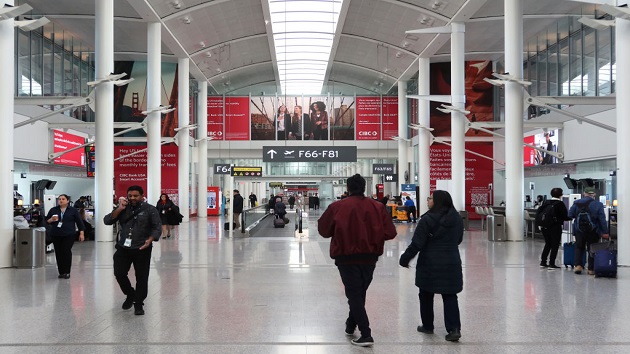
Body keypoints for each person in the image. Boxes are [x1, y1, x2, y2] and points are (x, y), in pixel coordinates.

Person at [318, 174, 397, 347]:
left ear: (348, 188)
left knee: (354, 293)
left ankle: (366, 334)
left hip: (345, 257)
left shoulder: (337, 207)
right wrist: (373, 236)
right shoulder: (377, 207)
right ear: (364, 187)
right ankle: (350, 325)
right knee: (359, 292)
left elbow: (324, 230)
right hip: (370, 257)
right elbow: (390, 232)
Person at [399, 190, 464, 342]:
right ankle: (454, 329)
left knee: (426, 294)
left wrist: (405, 258)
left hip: (430, 262)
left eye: (430, 198)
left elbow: (417, 243)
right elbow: (459, 239)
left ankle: (428, 325)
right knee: (450, 295)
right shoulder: (457, 218)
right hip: (451, 260)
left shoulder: (427, 219)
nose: (428, 200)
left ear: (437, 201)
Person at [103, 185, 161, 316]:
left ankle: (138, 303)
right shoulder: (123, 208)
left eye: (136, 196)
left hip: (142, 248)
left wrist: (150, 240)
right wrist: (119, 209)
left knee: (141, 277)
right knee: (119, 273)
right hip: (123, 247)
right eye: (130, 196)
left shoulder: (150, 209)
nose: (133, 198)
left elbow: (157, 227)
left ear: (142, 196)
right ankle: (130, 294)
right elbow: (107, 221)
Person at [568, 187, 609, 275]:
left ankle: (578, 266)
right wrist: (605, 232)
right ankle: (591, 269)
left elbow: (570, 215)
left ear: (584, 194)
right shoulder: (598, 204)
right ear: (594, 194)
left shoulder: (576, 203)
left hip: (579, 230)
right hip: (593, 230)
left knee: (579, 247)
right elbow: (602, 219)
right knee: (592, 248)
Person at [45, 194, 85, 279]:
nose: (61, 200)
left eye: (63, 199)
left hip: (69, 234)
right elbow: (47, 221)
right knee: (58, 253)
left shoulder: (73, 210)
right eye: (59, 199)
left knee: (66, 251)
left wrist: (81, 233)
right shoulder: (53, 210)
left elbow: (79, 222)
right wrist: (51, 219)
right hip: (56, 234)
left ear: (67, 201)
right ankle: (61, 272)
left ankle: (67, 272)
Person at [536, 188, 570, 269]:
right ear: (561, 195)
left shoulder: (545, 202)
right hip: (555, 226)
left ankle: (543, 261)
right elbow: (564, 216)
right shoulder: (560, 204)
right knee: (555, 245)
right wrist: (570, 218)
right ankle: (552, 263)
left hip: (544, 226)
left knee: (548, 243)